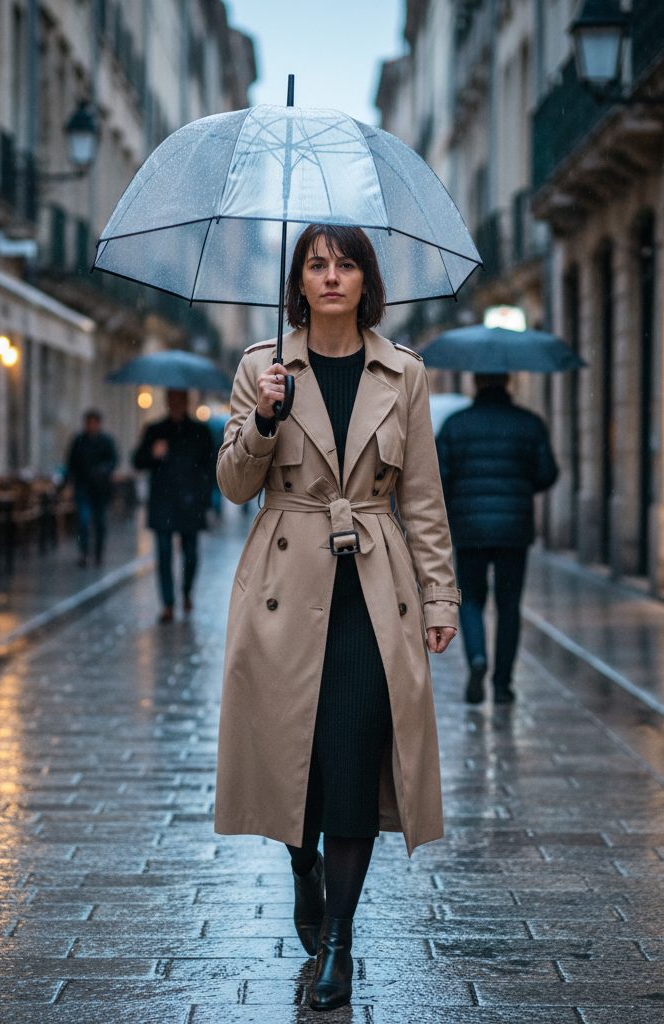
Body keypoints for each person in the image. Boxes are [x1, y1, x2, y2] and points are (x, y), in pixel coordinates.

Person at [215, 225, 460, 1010]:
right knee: (295, 760)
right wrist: (261, 421)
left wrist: (439, 595)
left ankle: (339, 946)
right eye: (315, 264)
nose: (330, 276)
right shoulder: (262, 366)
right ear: (298, 279)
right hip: (286, 584)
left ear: (365, 281)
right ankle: (300, 866)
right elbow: (228, 483)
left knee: (354, 760)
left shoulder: (403, 373)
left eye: (344, 264)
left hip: (371, 587)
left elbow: (421, 497)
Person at [436, 373, 558, 706]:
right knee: (508, 606)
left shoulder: (455, 425)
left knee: (471, 599)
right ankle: (503, 685)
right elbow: (548, 472)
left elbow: (438, 476)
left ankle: (477, 658)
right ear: (508, 382)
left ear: (475, 383)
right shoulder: (529, 423)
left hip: (469, 528)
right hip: (513, 531)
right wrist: (519, 488)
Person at [133, 389, 214, 623]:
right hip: (163, 503)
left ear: (186, 402)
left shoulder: (201, 431)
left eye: (181, 400)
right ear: (168, 401)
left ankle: (187, 591)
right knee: (164, 554)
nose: (176, 404)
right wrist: (153, 453)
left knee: (190, 556)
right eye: (173, 400)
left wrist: (206, 501)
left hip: (191, 503)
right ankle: (168, 603)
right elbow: (137, 460)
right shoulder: (155, 430)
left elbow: (210, 468)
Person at [66, 409, 118, 567]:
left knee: (100, 521)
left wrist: (104, 470)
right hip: (83, 487)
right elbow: (71, 462)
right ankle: (83, 552)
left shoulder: (106, 441)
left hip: (100, 489)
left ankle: (98, 553)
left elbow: (113, 460)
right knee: (83, 520)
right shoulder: (79, 441)